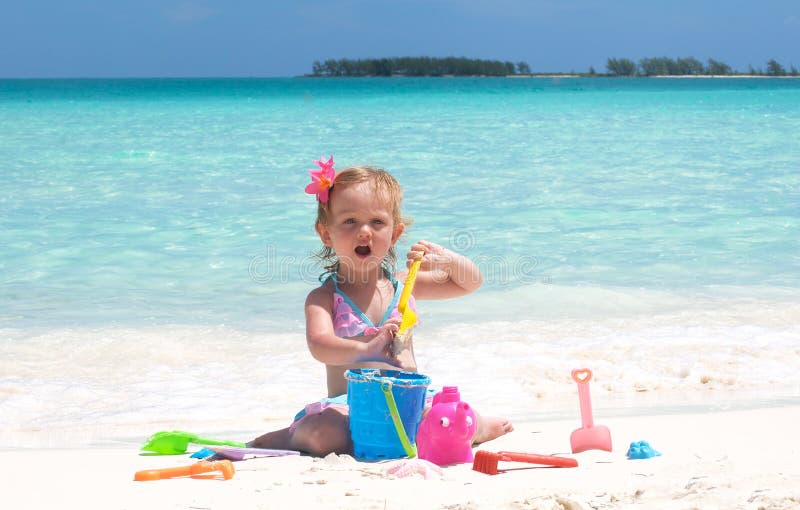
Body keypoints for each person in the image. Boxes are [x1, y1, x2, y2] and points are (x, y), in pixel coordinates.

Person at [247, 157, 513, 456]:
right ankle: (288, 437)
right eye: (349, 221)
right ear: (325, 234)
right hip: (349, 407)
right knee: (321, 434)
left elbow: (470, 282)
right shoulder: (324, 297)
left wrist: (446, 259)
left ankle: (480, 427)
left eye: (377, 222)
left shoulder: (405, 285)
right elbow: (320, 346)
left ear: (395, 234)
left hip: (409, 401)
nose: (364, 231)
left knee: (448, 418)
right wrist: (365, 350)